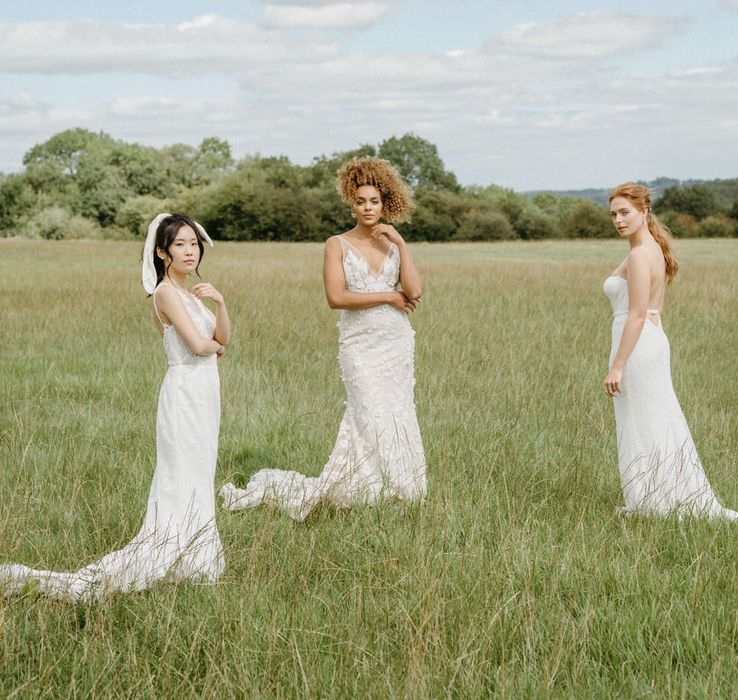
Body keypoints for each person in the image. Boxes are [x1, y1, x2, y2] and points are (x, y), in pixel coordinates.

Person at [0, 213, 230, 601]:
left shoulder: (192, 294)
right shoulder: (165, 293)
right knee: (182, 471)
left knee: (201, 469)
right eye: (180, 245)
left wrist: (220, 305)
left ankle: (197, 553)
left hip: (205, 391)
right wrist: (215, 347)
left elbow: (220, 337)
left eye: (193, 243)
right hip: (185, 392)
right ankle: (173, 551)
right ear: (162, 252)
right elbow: (198, 345)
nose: (190, 251)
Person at [220, 157, 427, 521]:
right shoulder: (337, 244)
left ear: (385, 202)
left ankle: (400, 486)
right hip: (360, 345)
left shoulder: (393, 244)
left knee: (397, 410)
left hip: (395, 343)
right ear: (351, 201)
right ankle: (360, 485)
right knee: (366, 410)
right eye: (361, 201)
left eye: (374, 201)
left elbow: (415, 291)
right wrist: (389, 297)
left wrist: (402, 243)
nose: (367, 207)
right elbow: (337, 297)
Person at [603, 183, 738, 527]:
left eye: (625, 212)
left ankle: (656, 499)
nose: (618, 220)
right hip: (649, 341)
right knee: (651, 420)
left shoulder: (638, 253)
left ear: (644, 211)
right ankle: (652, 494)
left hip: (637, 346)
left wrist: (616, 366)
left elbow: (635, 314)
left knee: (645, 421)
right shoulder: (647, 248)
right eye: (614, 214)